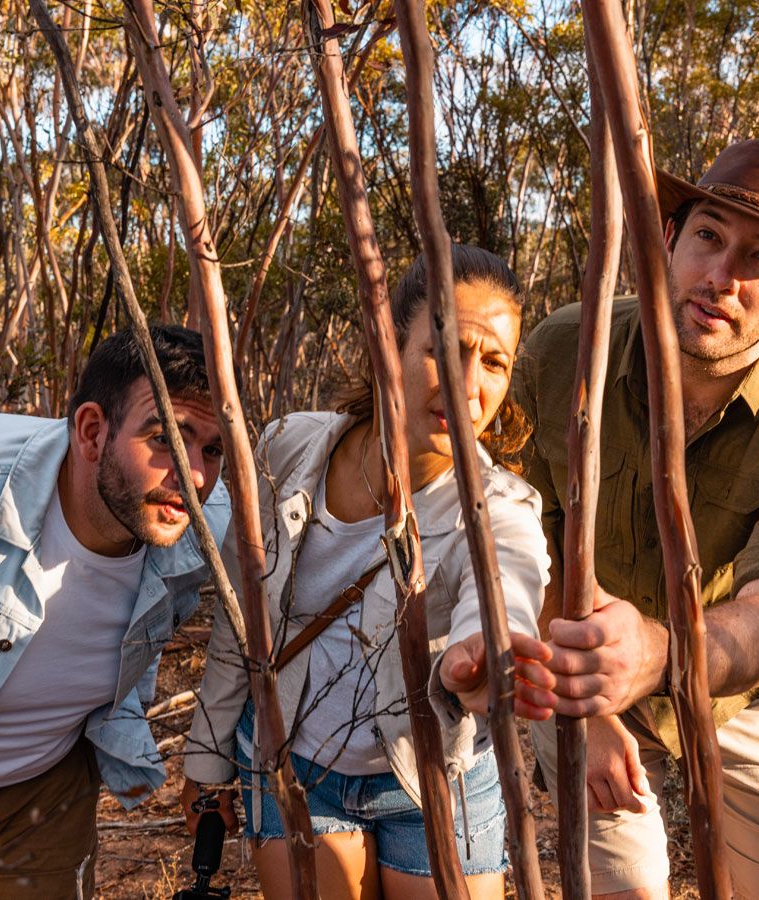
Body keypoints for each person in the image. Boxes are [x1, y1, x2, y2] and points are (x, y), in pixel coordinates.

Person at [512, 139, 759, 899]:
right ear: (669, 238)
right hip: (571, 653)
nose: (721, 279)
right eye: (708, 236)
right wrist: (583, 701)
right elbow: (512, 539)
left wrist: (660, 655)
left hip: (734, 686)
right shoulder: (561, 352)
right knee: (623, 882)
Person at [180, 245, 550, 900]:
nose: (470, 384)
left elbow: (507, 591)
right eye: (445, 349)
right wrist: (208, 763)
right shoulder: (288, 449)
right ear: (388, 344)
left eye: (494, 362)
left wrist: (484, 658)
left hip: (434, 773)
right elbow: (243, 618)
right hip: (293, 760)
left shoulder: (501, 509)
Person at [0, 325, 231, 899]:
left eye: (212, 449)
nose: (194, 478)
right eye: (165, 437)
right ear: (92, 431)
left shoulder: (206, 528)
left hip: (43, 796)